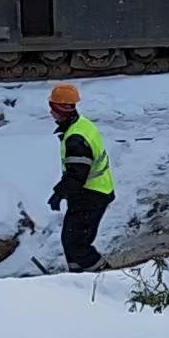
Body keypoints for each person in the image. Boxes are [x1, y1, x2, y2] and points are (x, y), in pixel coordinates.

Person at [44, 83, 113, 272]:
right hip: (92, 191)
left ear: (57, 110)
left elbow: (77, 175)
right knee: (71, 241)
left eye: (52, 108)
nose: (50, 113)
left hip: (91, 195)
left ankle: (107, 277)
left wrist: (59, 193)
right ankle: (77, 277)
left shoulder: (76, 138)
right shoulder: (82, 125)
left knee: (77, 245)